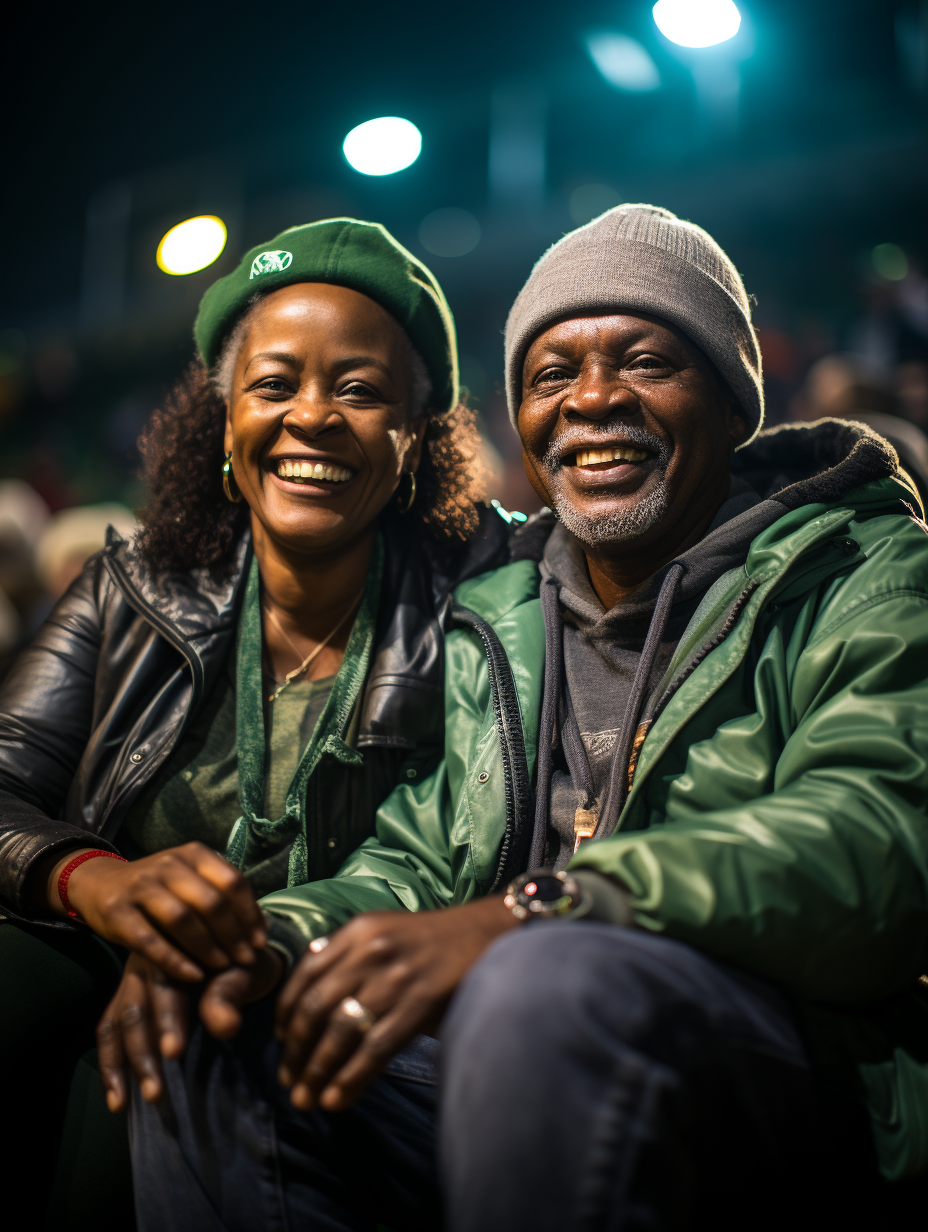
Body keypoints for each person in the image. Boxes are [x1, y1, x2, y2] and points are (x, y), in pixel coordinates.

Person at [122, 205, 928, 1229]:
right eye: (550, 374)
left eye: (643, 359)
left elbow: (878, 839)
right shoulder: (501, 612)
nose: (592, 398)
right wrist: (264, 940)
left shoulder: (865, 570)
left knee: (540, 984)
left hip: (798, 1074)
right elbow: (415, 858)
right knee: (219, 1022)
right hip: (517, 1046)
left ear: (732, 403)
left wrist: (541, 908)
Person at [0, 217, 503, 1223]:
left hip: (322, 987)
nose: (310, 417)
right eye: (273, 385)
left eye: (358, 390)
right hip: (105, 944)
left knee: (158, 1066)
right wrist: (99, 881)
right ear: (224, 423)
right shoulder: (127, 588)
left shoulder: (493, 603)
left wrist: (250, 945)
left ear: (418, 439)